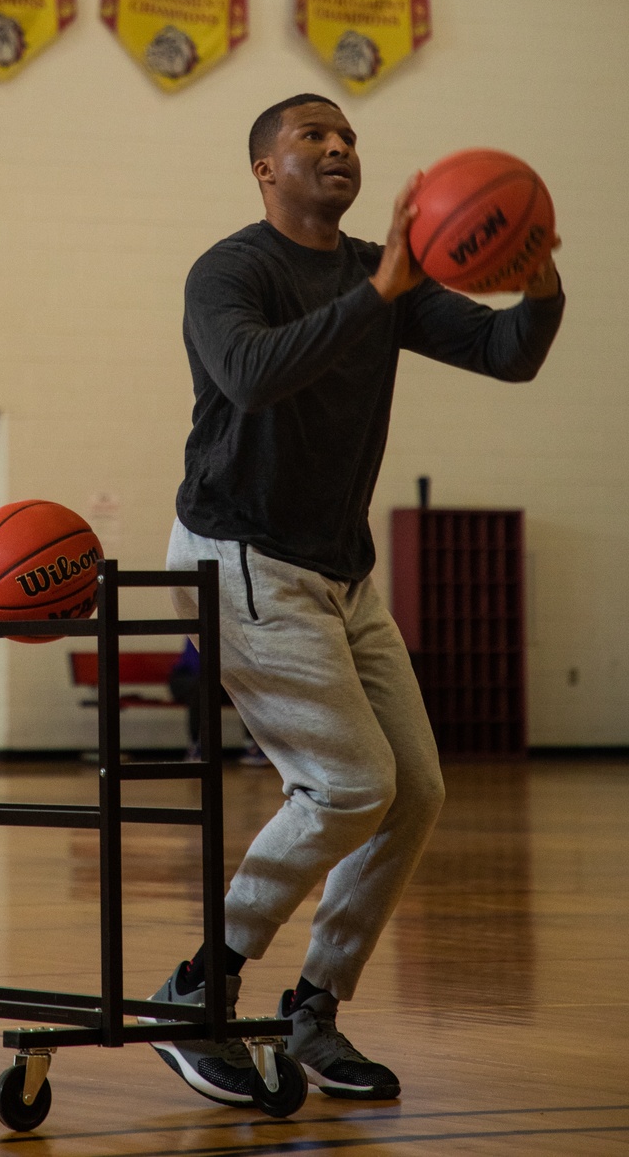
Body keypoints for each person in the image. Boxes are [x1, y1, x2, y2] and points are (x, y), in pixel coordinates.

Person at [146, 94, 564, 1107]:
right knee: (345, 786)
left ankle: (313, 1012)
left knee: (413, 790)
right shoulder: (232, 271)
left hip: (339, 567)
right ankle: (194, 991)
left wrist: (536, 276)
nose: (338, 150)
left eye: (349, 141)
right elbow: (247, 378)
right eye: (313, 139)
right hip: (238, 553)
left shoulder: (388, 271)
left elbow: (508, 355)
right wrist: (378, 293)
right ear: (264, 170)